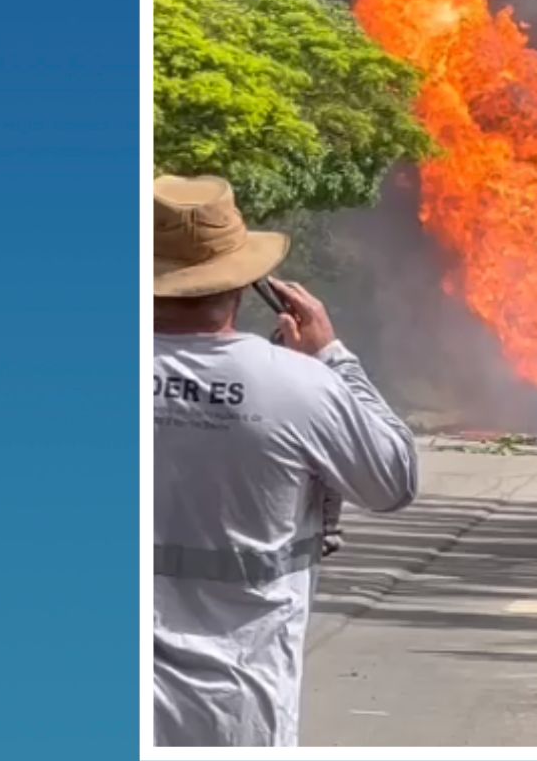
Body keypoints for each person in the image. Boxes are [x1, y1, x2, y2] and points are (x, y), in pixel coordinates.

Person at [152, 175, 418, 747]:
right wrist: (332, 356)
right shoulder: (300, 386)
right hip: (236, 706)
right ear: (249, 282)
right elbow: (393, 479)